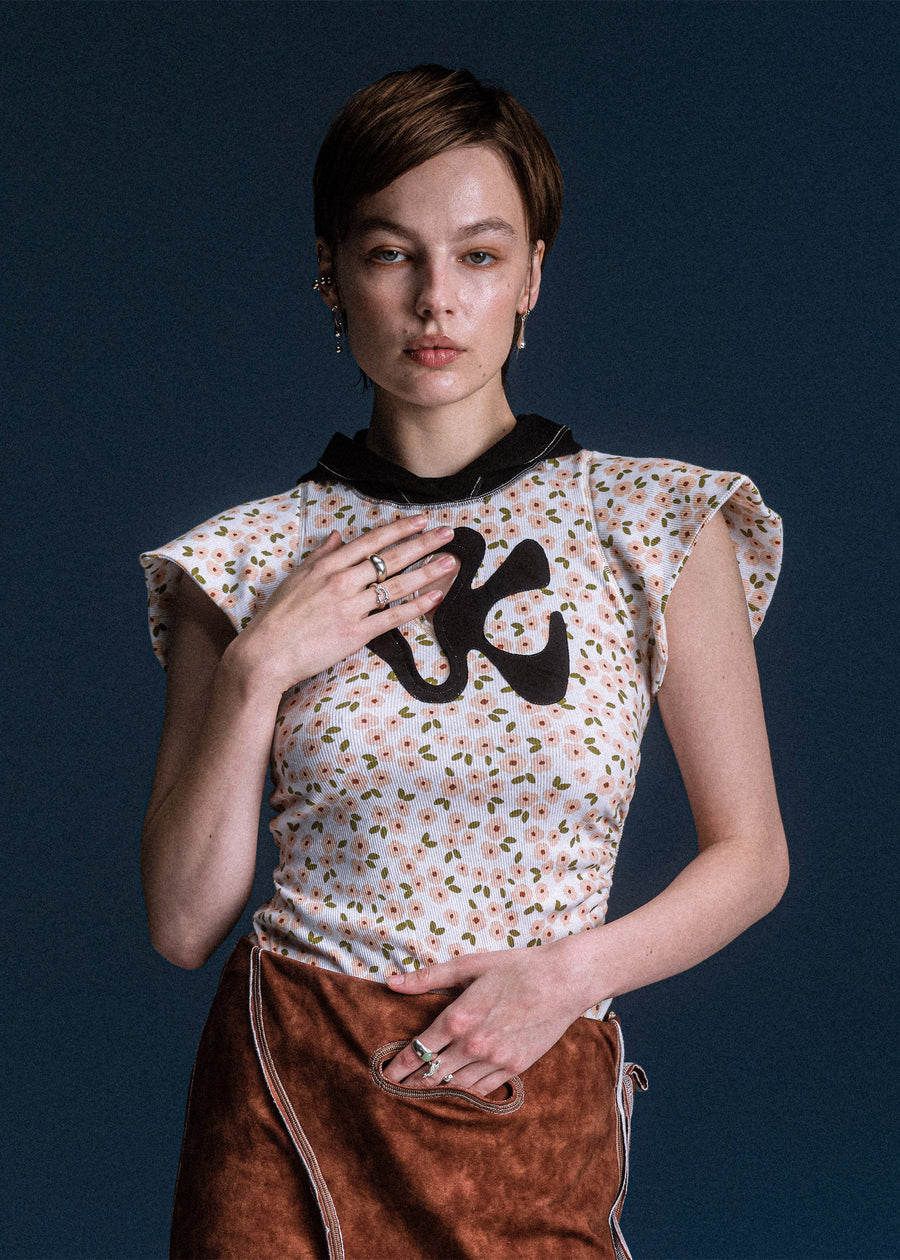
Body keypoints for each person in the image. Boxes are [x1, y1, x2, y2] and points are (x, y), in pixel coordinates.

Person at [140, 65, 788, 1260]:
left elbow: (752, 857)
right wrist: (258, 668)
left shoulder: (656, 522)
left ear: (533, 273)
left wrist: (564, 977)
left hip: (529, 1084)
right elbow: (184, 923)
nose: (436, 299)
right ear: (331, 273)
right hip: (288, 1086)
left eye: (480, 256)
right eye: (391, 254)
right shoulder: (239, 559)